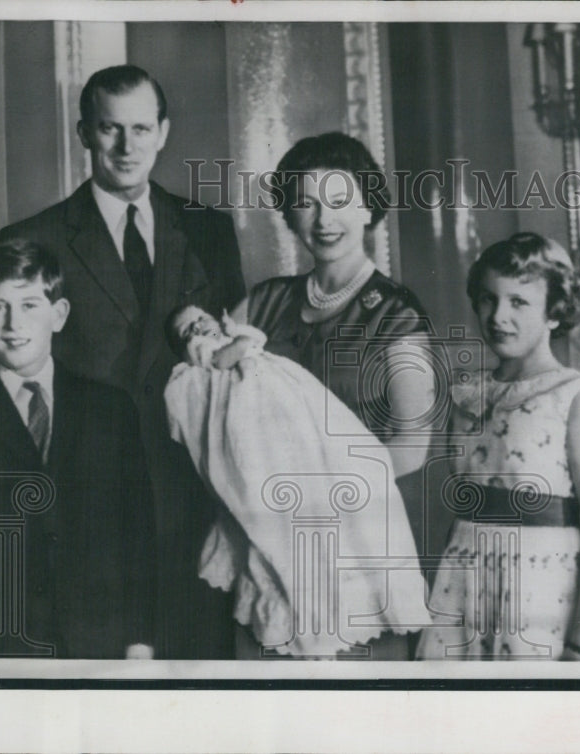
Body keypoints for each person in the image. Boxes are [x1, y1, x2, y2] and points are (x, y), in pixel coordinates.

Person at [0, 65, 246, 658]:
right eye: (110, 129)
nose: (127, 147)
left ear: (164, 132)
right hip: (93, 521)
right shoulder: (36, 233)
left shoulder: (209, 232)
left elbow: (229, 361)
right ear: (85, 133)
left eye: (141, 129)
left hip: (195, 507)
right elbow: (5, 338)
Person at [211, 132, 438, 658]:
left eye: (338, 202)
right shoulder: (266, 302)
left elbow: (412, 446)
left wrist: (321, 496)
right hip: (269, 544)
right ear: (289, 214)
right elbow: (212, 390)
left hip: (356, 549)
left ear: (366, 207)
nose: (323, 220)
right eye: (306, 203)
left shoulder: (397, 314)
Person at [0, 239, 155, 659]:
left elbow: (136, 532)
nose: (14, 324)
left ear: (59, 314)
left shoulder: (110, 409)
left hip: (98, 638)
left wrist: (140, 640)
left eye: (30, 305)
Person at [162, 305, 429, 657]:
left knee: (348, 457)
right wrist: (235, 343)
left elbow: (254, 339)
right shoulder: (202, 358)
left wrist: (236, 331)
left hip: (294, 406)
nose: (198, 327)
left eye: (201, 318)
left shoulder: (235, 337)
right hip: (254, 413)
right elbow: (230, 355)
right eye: (187, 331)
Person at [417, 232, 580, 661]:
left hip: (546, 596)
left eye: (519, 302)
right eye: (489, 300)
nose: (498, 316)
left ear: (554, 312)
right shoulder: (467, 396)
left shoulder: (575, 397)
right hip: (467, 590)